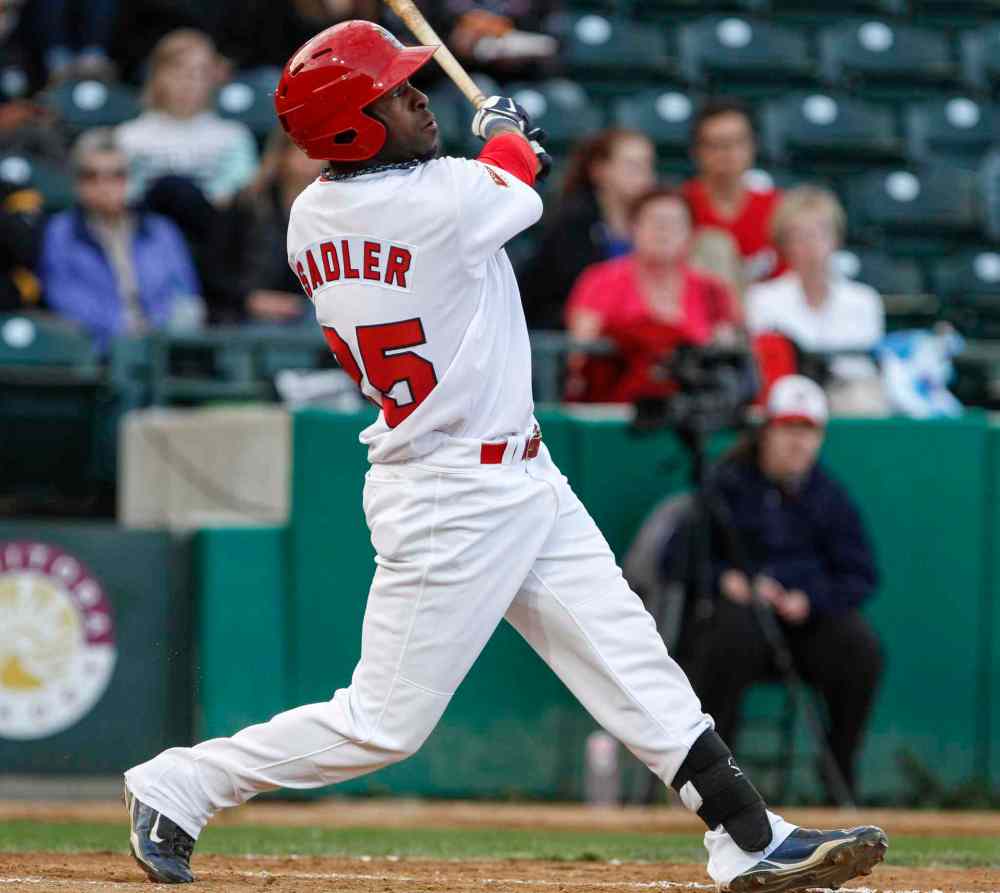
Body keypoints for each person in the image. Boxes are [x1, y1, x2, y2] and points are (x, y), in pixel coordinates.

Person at [121, 21, 887, 889]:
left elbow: (497, 183)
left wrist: (501, 146)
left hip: (518, 473)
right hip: (451, 492)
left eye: (413, 85)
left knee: (630, 656)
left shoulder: (312, 216)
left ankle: (746, 833)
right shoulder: (439, 197)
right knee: (383, 723)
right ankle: (181, 782)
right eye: (396, 96)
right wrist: (508, 132)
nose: (419, 99)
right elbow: (519, 178)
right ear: (352, 129)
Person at [667, 375, 883, 802]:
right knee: (730, 638)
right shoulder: (727, 482)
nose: (797, 443)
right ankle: (716, 783)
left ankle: (838, 770)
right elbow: (677, 559)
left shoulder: (829, 495)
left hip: (802, 625)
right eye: (788, 429)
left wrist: (809, 599)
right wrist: (727, 581)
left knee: (862, 650)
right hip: (740, 622)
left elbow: (861, 575)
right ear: (766, 431)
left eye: (808, 432)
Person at [564, 186, 740, 403]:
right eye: (656, 222)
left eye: (675, 224)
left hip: (691, 408)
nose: (664, 231)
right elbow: (580, 357)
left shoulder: (712, 289)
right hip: (616, 406)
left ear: (691, 235)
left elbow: (726, 355)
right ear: (633, 228)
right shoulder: (600, 280)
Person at [39, 128, 200, 353]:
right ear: (77, 183)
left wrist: (154, 329)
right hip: (97, 348)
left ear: (129, 179)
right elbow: (62, 295)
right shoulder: (61, 232)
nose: (104, 186)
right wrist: (120, 328)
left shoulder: (161, 231)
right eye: (91, 176)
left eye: (116, 175)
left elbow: (184, 295)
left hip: (162, 349)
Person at [745, 187, 887, 416]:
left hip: (847, 397)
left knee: (864, 399)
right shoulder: (761, 300)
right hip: (789, 397)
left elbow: (861, 370)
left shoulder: (864, 300)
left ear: (836, 239)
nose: (810, 245)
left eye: (819, 233)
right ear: (783, 244)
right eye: (799, 236)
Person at [521, 128, 656, 330]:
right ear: (599, 170)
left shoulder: (656, 224)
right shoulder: (571, 224)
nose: (645, 176)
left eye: (648, 165)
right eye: (632, 166)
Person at [115, 29, 258, 207]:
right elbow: (123, 195)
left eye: (199, 73)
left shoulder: (234, 137)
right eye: (177, 71)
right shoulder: (128, 137)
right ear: (157, 75)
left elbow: (236, 195)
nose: (188, 82)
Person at [217, 128, 324, 323]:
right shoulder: (248, 203)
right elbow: (216, 269)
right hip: (246, 309)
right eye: (301, 150)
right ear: (281, 154)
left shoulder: (337, 208)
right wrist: (248, 299)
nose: (309, 159)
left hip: (313, 310)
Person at [683, 99, 783, 291]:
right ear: (697, 151)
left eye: (738, 142)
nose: (728, 152)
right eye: (717, 144)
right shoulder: (679, 206)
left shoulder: (778, 209)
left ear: (753, 146)